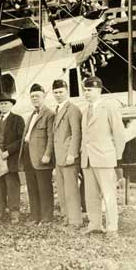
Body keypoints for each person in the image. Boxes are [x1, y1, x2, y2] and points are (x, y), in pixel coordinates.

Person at [81, 76, 125, 237]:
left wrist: (117, 156)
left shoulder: (109, 108)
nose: (86, 93)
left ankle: (112, 228)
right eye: (85, 90)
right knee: (91, 195)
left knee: (108, 194)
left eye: (89, 90)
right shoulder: (85, 111)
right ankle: (95, 225)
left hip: (104, 158)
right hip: (88, 159)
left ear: (99, 91)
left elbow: (119, 133)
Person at [18, 83, 55, 225]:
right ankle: (35, 217)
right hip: (29, 156)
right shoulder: (32, 114)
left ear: (44, 96)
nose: (34, 98)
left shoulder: (49, 114)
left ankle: (46, 219)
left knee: (44, 189)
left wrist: (47, 154)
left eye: (37, 96)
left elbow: (51, 137)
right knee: (32, 188)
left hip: (41, 157)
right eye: (32, 96)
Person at [0, 94, 25, 224]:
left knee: (12, 185)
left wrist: (8, 151)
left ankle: (14, 213)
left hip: (10, 158)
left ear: (11, 105)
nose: (3, 106)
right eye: (1, 104)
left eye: (6, 103)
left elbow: (21, 140)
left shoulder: (17, 119)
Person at [52, 79, 83, 230]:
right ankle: (67, 217)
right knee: (63, 190)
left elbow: (76, 133)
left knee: (71, 190)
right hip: (59, 157)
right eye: (56, 92)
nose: (58, 95)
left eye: (61, 92)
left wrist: (72, 153)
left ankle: (76, 220)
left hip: (68, 157)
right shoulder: (57, 109)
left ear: (67, 91)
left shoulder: (73, 109)